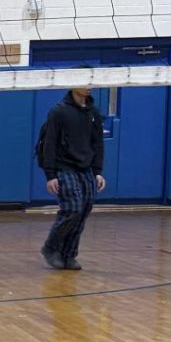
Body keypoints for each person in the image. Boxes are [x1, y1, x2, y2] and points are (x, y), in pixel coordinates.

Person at [40, 88, 105, 271]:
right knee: (72, 207)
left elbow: (97, 143)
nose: (88, 85)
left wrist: (97, 171)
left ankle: (68, 255)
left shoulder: (94, 113)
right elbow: (49, 143)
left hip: (85, 168)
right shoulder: (58, 111)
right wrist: (50, 175)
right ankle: (51, 247)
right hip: (63, 166)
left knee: (84, 208)